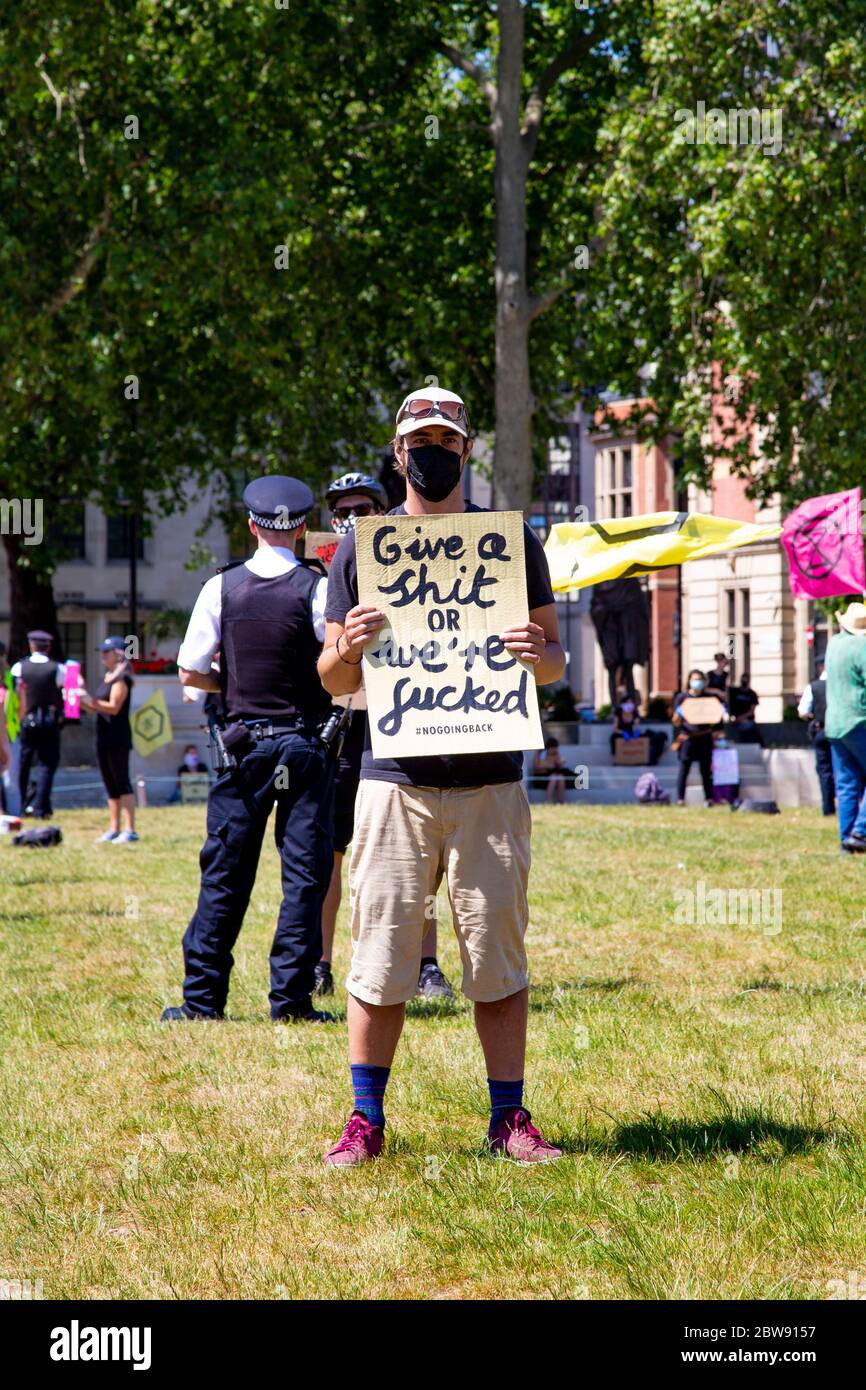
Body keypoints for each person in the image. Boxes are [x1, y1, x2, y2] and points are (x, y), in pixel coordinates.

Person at [319, 385, 566, 1166]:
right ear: (398, 454)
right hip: (393, 779)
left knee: (496, 957)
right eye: (417, 440)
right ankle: (366, 1120)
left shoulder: (510, 543)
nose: (431, 452)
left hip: (491, 779)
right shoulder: (362, 549)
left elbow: (556, 659)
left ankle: (508, 1118)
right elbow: (328, 676)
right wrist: (349, 648)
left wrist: (540, 654)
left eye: (445, 440)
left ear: (465, 451)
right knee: (380, 956)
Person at [161, 475, 338, 1024]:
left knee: (225, 874)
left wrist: (231, 682)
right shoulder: (319, 586)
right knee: (305, 878)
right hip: (306, 745)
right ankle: (291, 1003)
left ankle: (202, 1003)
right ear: (303, 527)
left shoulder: (221, 587)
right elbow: (338, 671)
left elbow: (191, 671)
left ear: (250, 524)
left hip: (242, 748)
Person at [315, 472, 454, 1001]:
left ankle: (425, 963)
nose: (353, 517)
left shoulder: (411, 561)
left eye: (364, 508)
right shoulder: (321, 575)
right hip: (337, 731)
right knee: (330, 851)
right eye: (343, 511)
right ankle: (322, 962)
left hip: (401, 725)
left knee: (420, 854)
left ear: (382, 510)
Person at [79, 637, 138, 843]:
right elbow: (96, 708)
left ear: (119, 653)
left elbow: (113, 707)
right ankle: (114, 827)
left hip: (118, 736)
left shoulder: (122, 679)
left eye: (107, 651)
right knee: (110, 783)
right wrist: (80, 700)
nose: (103, 655)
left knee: (122, 781)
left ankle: (130, 829)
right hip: (104, 735)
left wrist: (90, 700)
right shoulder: (108, 677)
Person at [824, 602, 866, 853]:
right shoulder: (862, 646)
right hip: (858, 719)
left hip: (835, 723)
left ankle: (846, 841)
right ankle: (861, 831)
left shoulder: (834, 643)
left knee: (847, 784)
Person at [11, 630, 66, 819]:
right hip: (49, 721)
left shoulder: (19, 667)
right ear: (48, 647)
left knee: (23, 764)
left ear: (31, 646)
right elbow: (65, 691)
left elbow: (15, 695)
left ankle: (20, 804)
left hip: (26, 721)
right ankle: (40, 808)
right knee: (47, 765)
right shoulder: (57, 668)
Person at [672, 669, 724, 806]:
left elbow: (717, 722)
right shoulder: (682, 698)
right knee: (684, 769)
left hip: (705, 737)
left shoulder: (709, 699)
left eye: (699, 680)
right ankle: (680, 799)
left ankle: (709, 799)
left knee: (706, 771)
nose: (697, 683)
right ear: (689, 681)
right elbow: (675, 722)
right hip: (688, 738)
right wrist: (678, 714)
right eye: (694, 679)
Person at [798, 659, 835, 817]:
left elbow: (802, 712)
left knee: (824, 770)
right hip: (840, 732)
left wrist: (815, 715)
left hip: (821, 731)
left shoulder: (813, 687)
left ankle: (828, 807)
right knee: (846, 770)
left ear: (821, 667)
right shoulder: (839, 685)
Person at [610, 697, 667, 765]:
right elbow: (615, 729)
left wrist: (635, 732)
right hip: (620, 733)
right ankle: (617, 759)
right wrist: (623, 733)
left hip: (631, 733)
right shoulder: (618, 713)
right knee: (613, 738)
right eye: (628, 702)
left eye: (631, 702)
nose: (630, 704)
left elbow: (636, 726)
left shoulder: (635, 713)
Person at [532, 737, 567, 804]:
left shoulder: (556, 754)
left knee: (560, 777)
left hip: (551, 776)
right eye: (553, 748)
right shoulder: (539, 753)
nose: (554, 750)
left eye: (555, 748)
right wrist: (548, 766)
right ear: (548, 748)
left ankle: (562, 802)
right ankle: (549, 802)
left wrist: (560, 763)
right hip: (539, 778)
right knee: (553, 777)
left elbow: (559, 766)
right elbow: (536, 766)